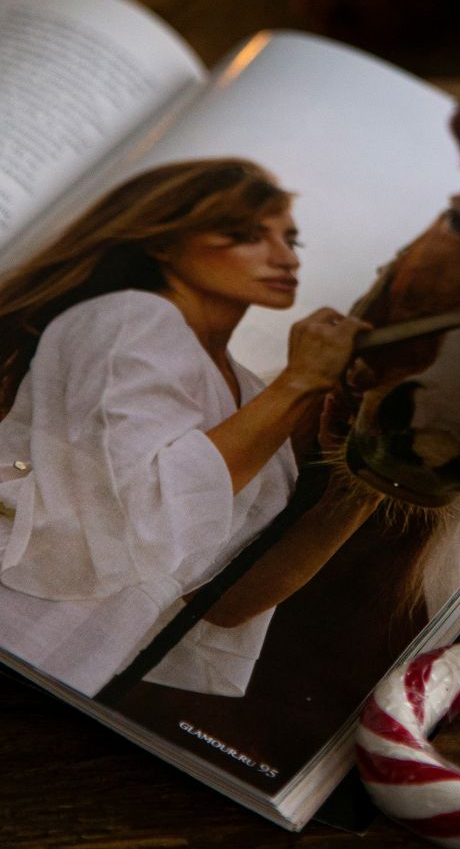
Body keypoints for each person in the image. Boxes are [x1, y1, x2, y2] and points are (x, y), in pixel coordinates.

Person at [0, 158, 371, 698]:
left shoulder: (246, 389)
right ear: (162, 245)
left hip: (78, 668)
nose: (285, 258)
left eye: (292, 240)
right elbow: (138, 518)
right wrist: (299, 382)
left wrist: (365, 467)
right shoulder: (134, 317)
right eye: (245, 236)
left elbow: (221, 603)